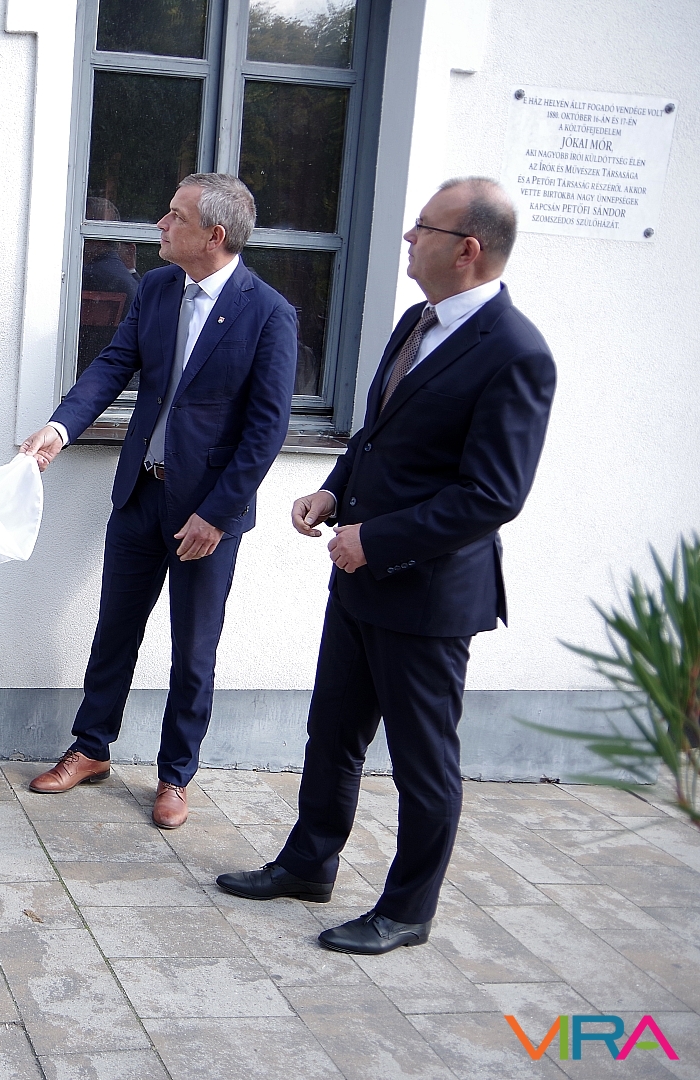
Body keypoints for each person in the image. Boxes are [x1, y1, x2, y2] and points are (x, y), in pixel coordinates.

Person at [216, 178, 555, 955]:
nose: (408, 237)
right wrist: (334, 491)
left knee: (422, 763)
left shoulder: (517, 353)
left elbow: (492, 496)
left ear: (467, 249)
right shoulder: (416, 321)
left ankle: (407, 910)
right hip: (360, 581)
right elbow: (378, 438)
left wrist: (376, 539)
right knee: (332, 734)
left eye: (423, 227)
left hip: (429, 596)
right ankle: (308, 865)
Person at [21, 173, 297, 828]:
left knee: (193, 649)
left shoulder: (269, 313)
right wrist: (60, 429)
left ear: (214, 235)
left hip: (206, 514)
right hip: (141, 493)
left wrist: (218, 516)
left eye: (175, 216)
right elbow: (113, 366)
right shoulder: (157, 288)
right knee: (114, 629)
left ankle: (176, 775)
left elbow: (266, 431)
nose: (161, 225)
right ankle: (91, 748)